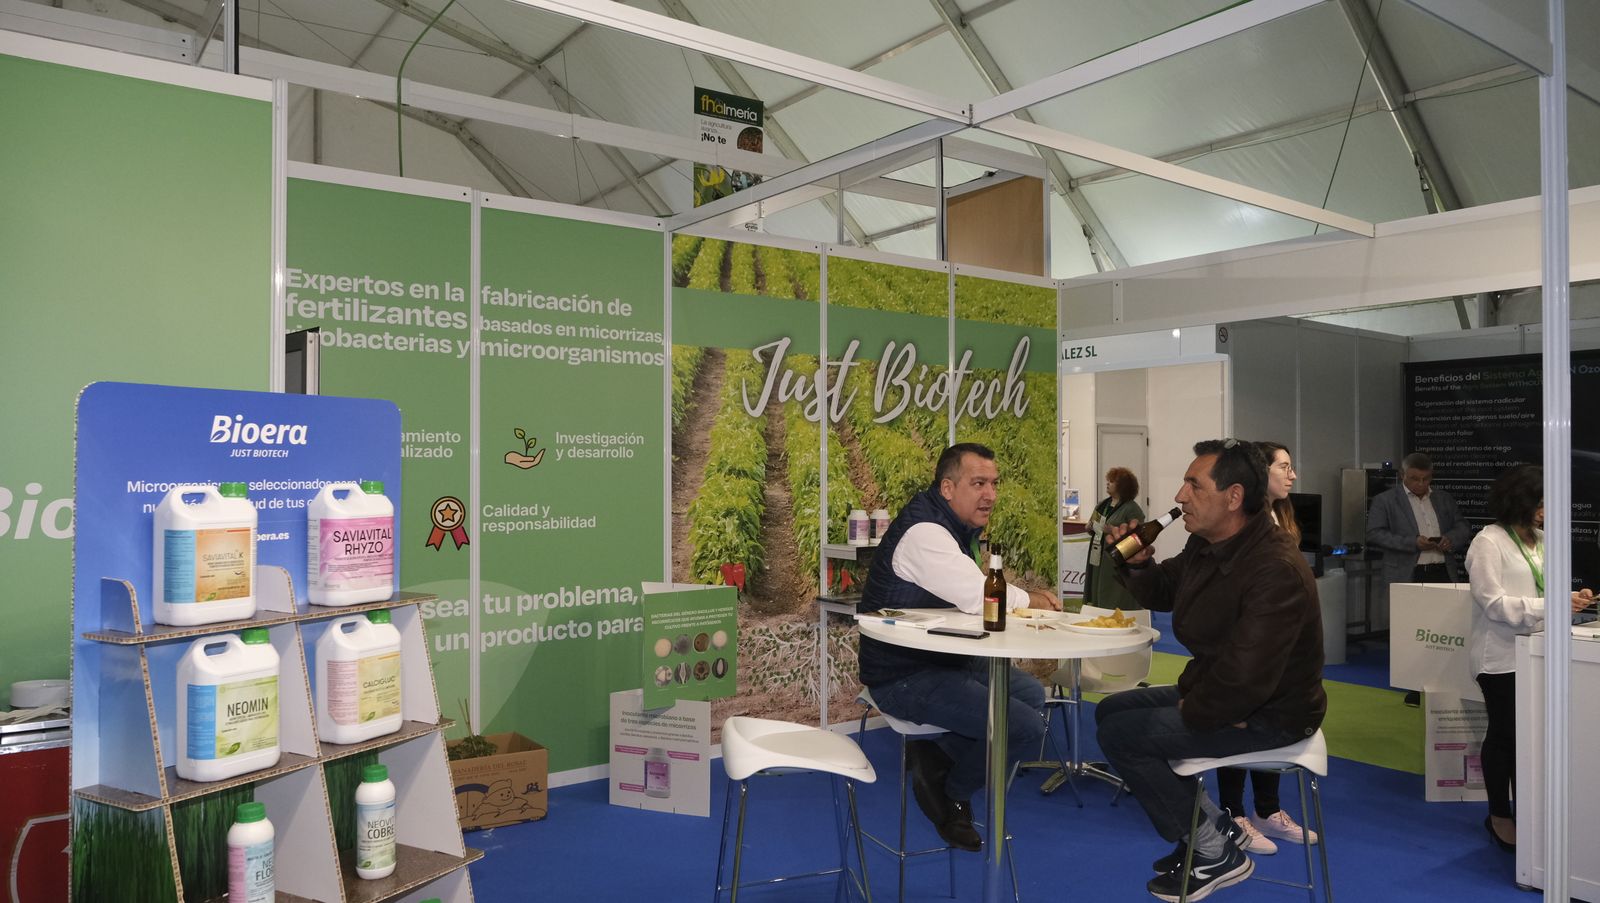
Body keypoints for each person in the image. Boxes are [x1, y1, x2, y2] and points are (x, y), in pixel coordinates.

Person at [1094, 439, 1326, 902]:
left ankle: (1213, 849)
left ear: (1234, 497)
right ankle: (1215, 827)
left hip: (1269, 713)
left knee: (1123, 735)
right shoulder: (1210, 544)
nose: (1180, 496)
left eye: (1193, 486)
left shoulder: (1273, 567)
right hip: (1227, 694)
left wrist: (1202, 710)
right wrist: (1139, 563)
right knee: (1110, 712)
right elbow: (1165, 592)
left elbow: (1246, 678)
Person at [857, 442, 1060, 852]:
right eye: (979, 483)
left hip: (944, 659)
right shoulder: (926, 532)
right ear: (948, 488)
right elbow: (978, 596)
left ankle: (936, 756)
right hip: (903, 675)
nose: (991, 494)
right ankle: (952, 791)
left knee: (1030, 693)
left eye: (994, 484)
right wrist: (1036, 600)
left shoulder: (951, 525)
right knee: (1023, 727)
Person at [1464, 464, 1593, 853]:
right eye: (1539, 502)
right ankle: (1499, 815)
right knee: (1505, 734)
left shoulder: (1543, 539)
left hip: (1540, 651)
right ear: (1517, 500)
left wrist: (1572, 599)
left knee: (1531, 737)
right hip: (1500, 656)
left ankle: (1528, 811)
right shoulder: (1489, 541)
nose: (1544, 510)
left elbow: (1546, 591)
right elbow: (1493, 604)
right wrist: (1551, 603)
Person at [1215, 442, 1319, 856]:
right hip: (1244, 642)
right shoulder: (1245, 522)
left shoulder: (1281, 517)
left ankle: (1266, 810)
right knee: (1235, 723)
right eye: (1284, 467)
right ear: (1260, 473)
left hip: (1280, 647)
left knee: (1268, 724)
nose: (1292, 476)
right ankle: (1230, 812)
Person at [1368, 452, 1471, 705]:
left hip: (1440, 570)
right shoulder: (1386, 500)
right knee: (1410, 631)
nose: (1421, 484)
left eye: (1426, 479)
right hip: (1407, 573)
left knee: (1445, 630)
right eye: (1415, 479)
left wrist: (1451, 540)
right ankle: (1413, 685)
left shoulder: (1444, 499)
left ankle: (1445, 680)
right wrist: (1412, 543)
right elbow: (1374, 534)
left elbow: (1463, 527)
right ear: (1403, 475)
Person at [1085, 466, 1145, 611]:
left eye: (1112, 481)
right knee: (1096, 588)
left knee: (1113, 591)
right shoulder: (1103, 504)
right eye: (1108, 481)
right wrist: (1090, 526)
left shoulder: (1132, 508)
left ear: (1122, 486)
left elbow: (1138, 537)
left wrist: (1111, 530)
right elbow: (1090, 524)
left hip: (1116, 559)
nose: (1108, 484)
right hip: (1097, 554)